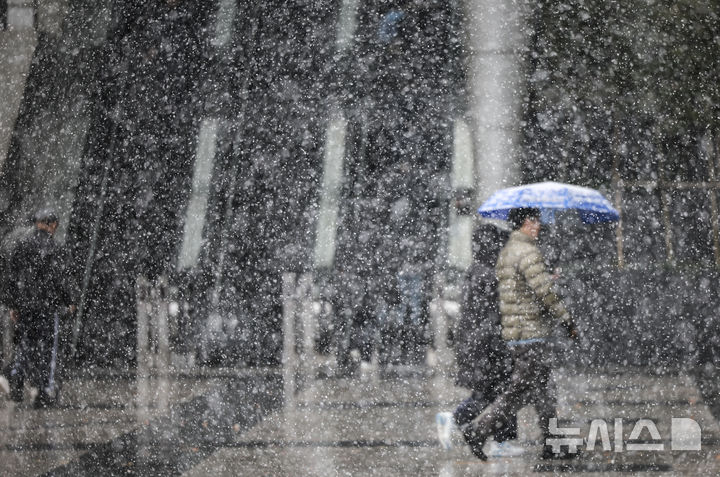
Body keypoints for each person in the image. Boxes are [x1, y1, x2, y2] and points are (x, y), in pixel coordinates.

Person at [462, 207, 577, 461]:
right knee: (519, 392)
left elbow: (517, 291)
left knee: (544, 391)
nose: (537, 225)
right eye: (533, 220)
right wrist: (567, 320)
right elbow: (543, 294)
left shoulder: (507, 252)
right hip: (531, 334)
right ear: (523, 223)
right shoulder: (527, 252)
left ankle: (553, 443)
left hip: (519, 334)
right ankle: (478, 430)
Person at [1, 209, 76, 407]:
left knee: (26, 344)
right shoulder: (54, 248)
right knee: (47, 348)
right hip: (47, 306)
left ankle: (15, 377)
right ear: (50, 224)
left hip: (25, 305)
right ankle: (43, 389)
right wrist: (69, 301)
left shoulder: (21, 246)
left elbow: (11, 278)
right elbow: (60, 278)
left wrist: (13, 305)